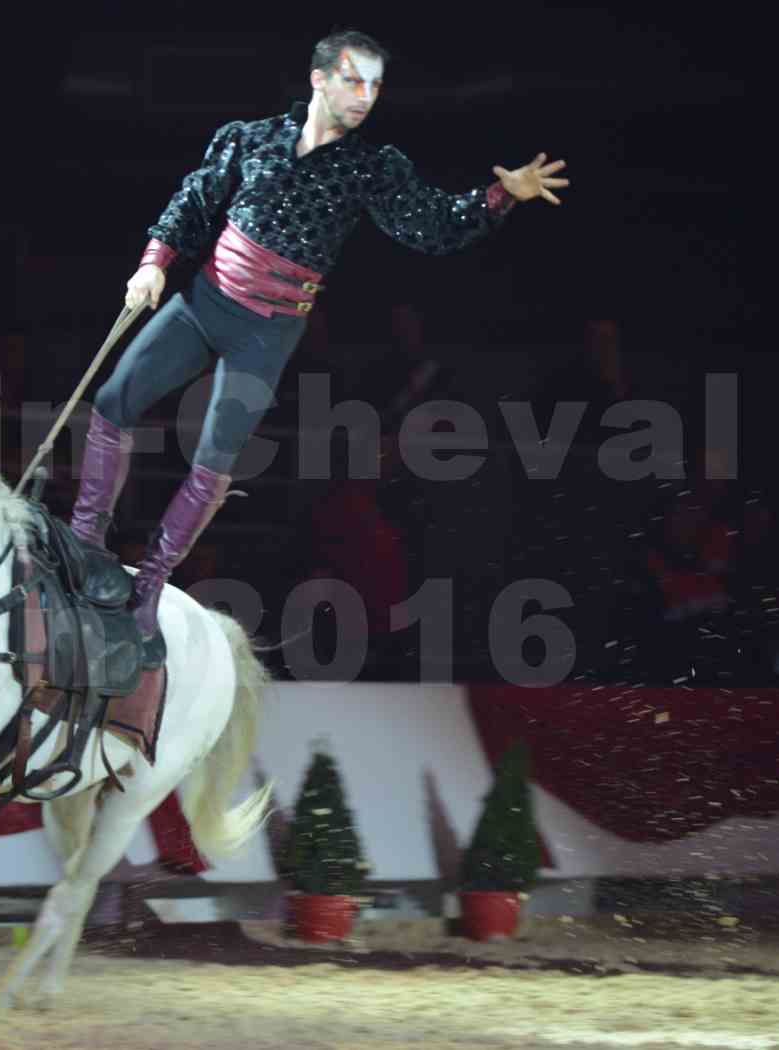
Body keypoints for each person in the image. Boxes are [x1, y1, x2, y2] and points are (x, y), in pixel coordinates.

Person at [68, 29, 569, 647]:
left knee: (215, 458)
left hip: (266, 334)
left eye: (376, 86)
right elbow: (193, 201)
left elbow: (433, 226)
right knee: (115, 398)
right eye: (354, 80)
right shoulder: (248, 139)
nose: (365, 97)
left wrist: (498, 196)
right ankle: (86, 546)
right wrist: (154, 261)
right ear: (319, 78)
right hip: (203, 305)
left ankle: (149, 586)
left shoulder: (371, 168)